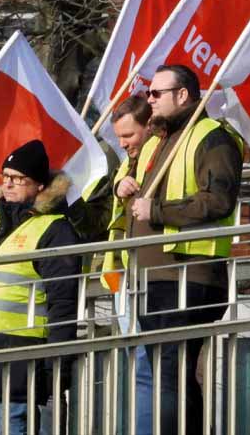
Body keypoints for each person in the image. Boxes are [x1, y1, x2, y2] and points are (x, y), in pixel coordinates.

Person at [115, 65, 243, 435]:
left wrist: (155, 210)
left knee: (170, 373)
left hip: (189, 274)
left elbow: (219, 200)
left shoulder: (212, 137)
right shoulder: (157, 140)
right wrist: (121, 186)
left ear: (183, 95)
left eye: (156, 94)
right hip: (153, 277)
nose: (148, 100)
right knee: (169, 375)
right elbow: (132, 188)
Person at [0, 140, 80, 435]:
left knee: (15, 426)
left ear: (39, 185)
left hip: (20, 355)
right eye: (5, 177)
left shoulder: (55, 229)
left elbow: (62, 302)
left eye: (18, 178)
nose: (9, 184)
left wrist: (58, 363)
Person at [99, 94, 154, 434]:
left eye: (129, 136)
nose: (123, 144)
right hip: (120, 275)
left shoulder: (160, 156)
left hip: (148, 274)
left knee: (148, 365)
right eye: (119, 137)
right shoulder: (125, 164)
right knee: (137, 361)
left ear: (148, 127)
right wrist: (118, 189)